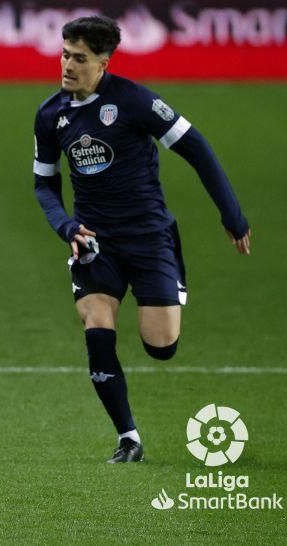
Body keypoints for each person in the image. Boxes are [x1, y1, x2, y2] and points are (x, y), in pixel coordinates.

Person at [32, 17, 250, 463]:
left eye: (79, 58)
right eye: (64, 54)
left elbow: (197, 149)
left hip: (149, 237)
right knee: (97, 328)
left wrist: (231, 213)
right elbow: (44, 185)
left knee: (161, 346)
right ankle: (128, 437)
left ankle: (164, 302)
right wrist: (66, 226)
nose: (67, 65)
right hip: (95, 241)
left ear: (103, 63)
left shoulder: (135, 101)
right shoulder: (50, 115)